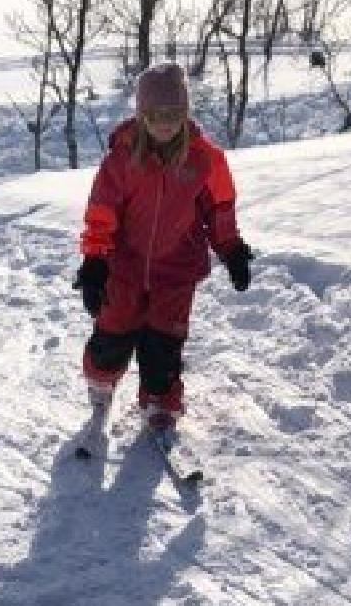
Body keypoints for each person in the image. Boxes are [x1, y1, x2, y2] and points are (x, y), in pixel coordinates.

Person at [74, 62, 255, 431]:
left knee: (164, 340)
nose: (165, 123)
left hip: (176, 269)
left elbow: (220, 209)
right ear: (142, 115)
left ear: (185, 114)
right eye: (156, 115)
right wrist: (95, 260)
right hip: (125, 267)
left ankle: (160, 398)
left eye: (173, 114)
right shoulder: (123, 159)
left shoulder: (205, 159)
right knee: (113, 333)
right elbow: (102, 212)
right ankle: (102, 381)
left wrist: (231, 248)